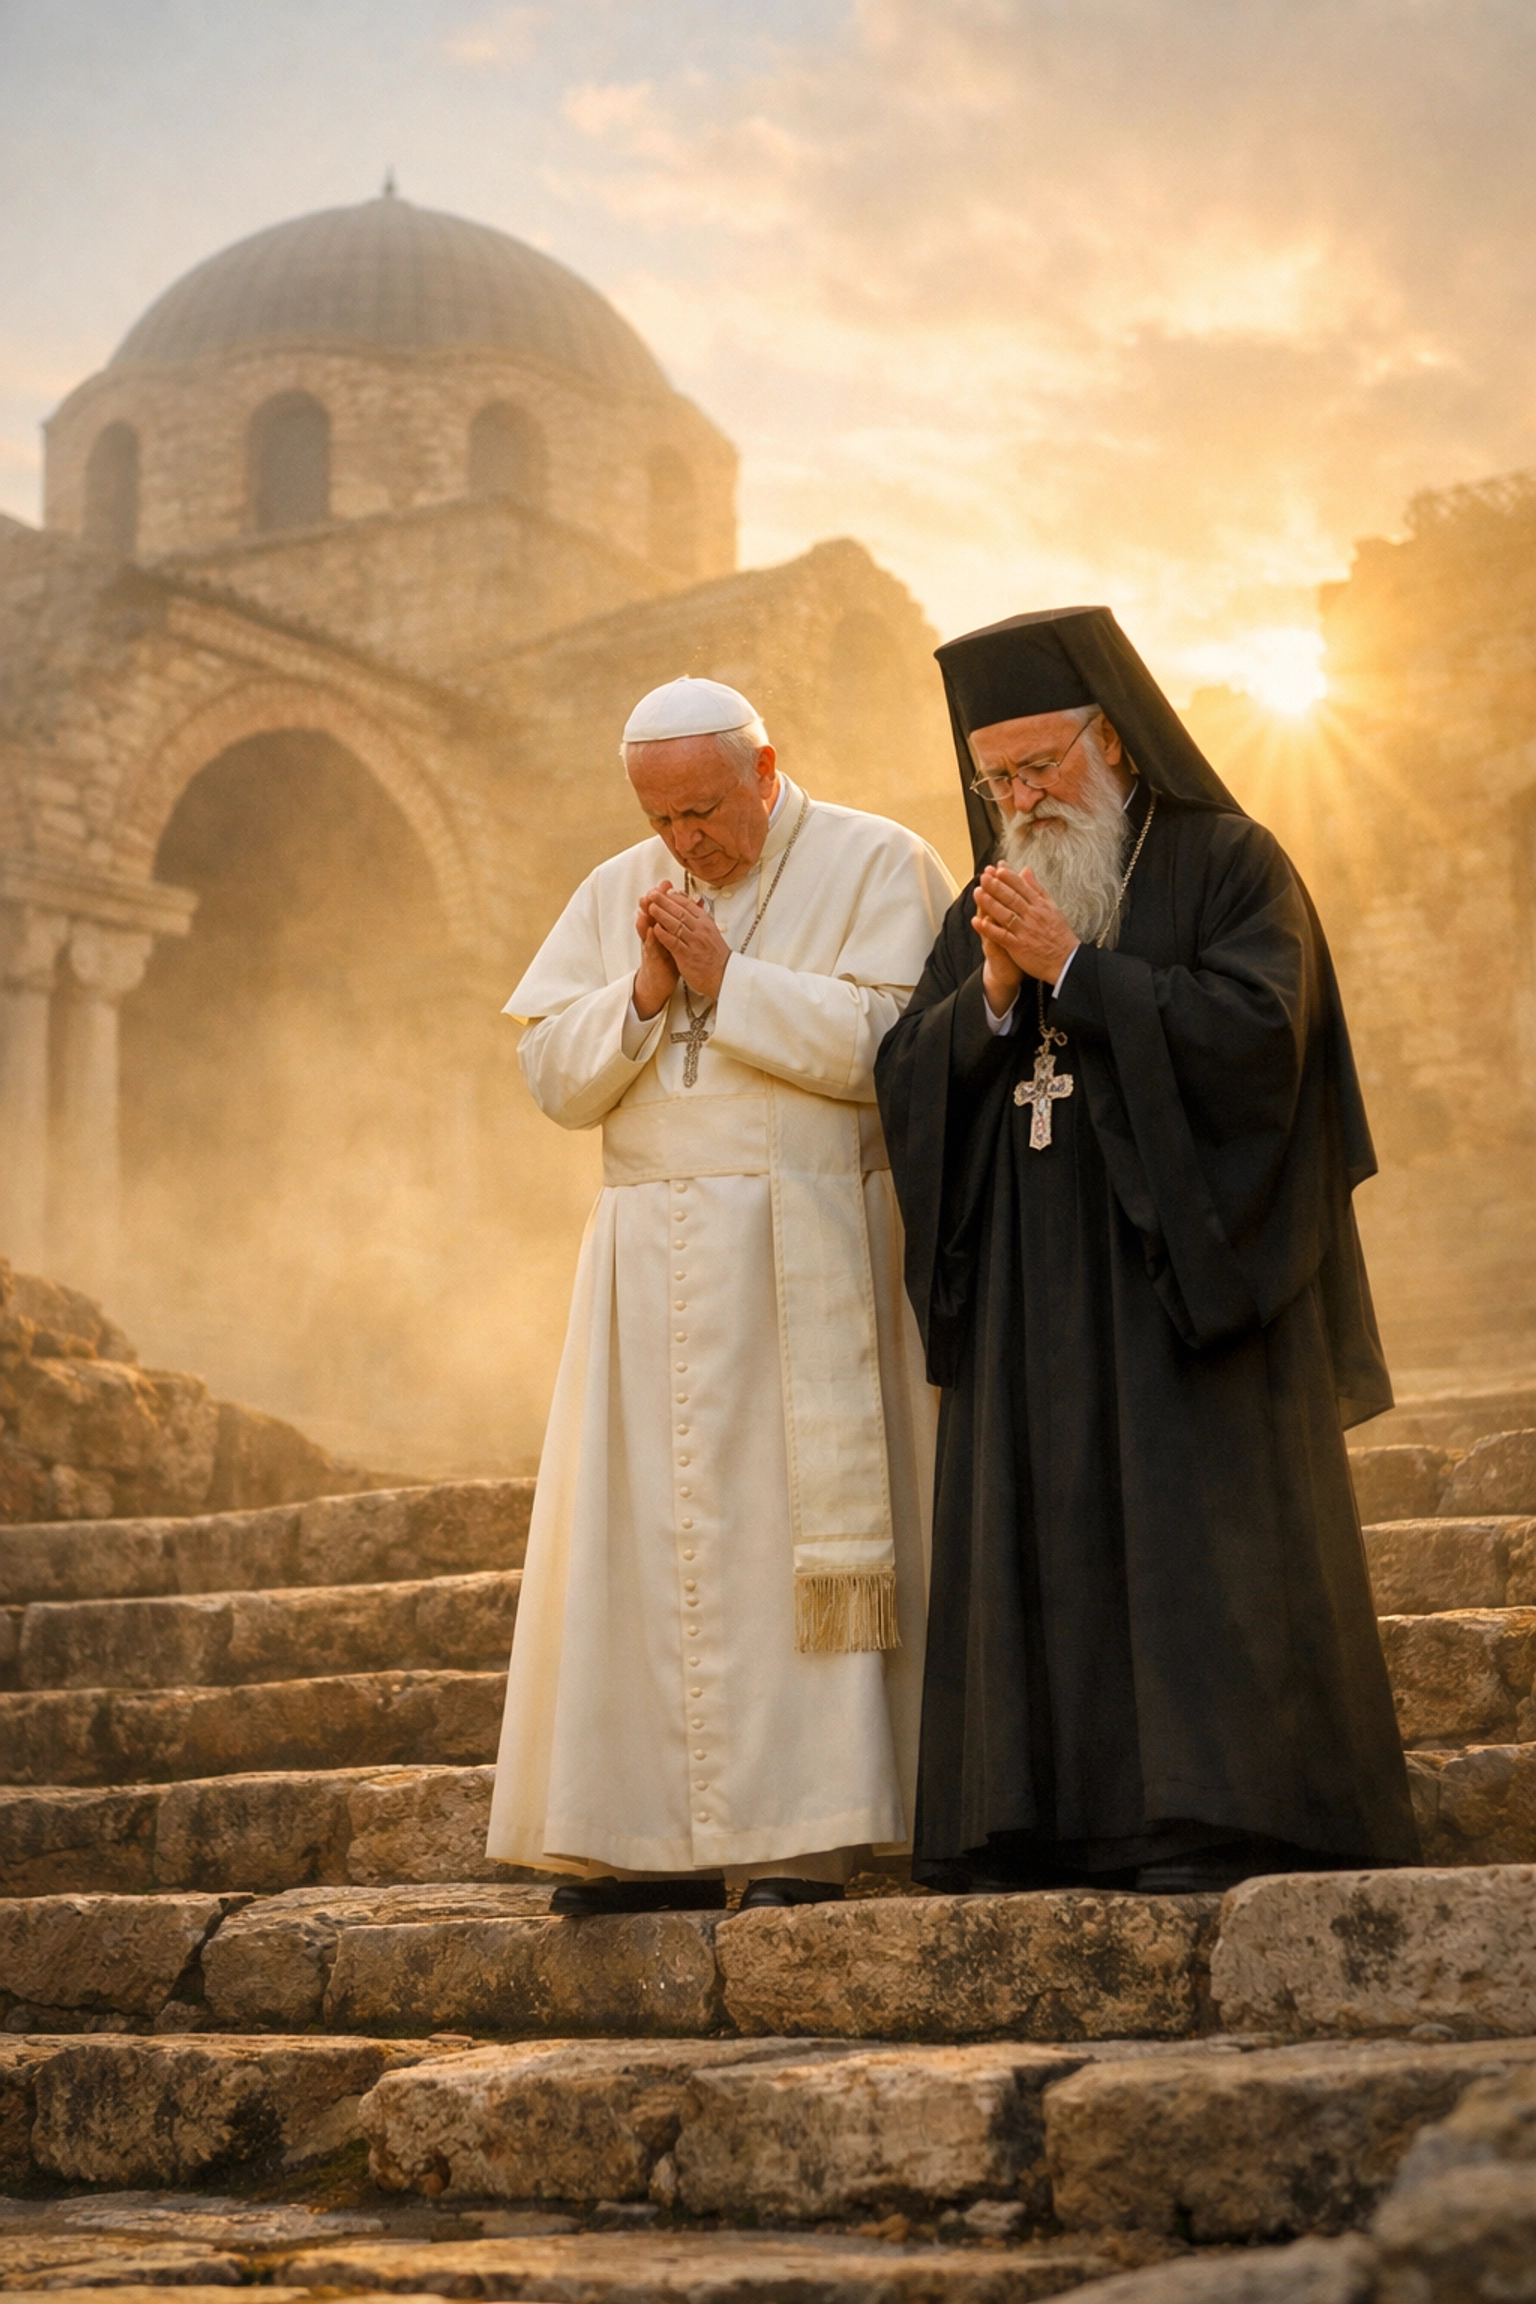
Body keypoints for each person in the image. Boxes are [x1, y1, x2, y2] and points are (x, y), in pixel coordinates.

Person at [874, 606, 1420, 1893]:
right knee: (1039, 1527)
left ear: (1110, 738)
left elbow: (1261, 1036)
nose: (1019, 797)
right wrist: (995, 997)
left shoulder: (1231, 862)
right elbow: (908, 1075)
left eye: (1039, 768)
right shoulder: (984, 909)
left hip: (1178, 1276)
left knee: (1194, 1536)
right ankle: (1036, 1818)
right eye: (995, 777)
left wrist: (1077, 973)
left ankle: (1219, 1810)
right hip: (1029, 1291)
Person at [487, 675, 954, 1913]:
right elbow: (548, 1071)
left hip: (811, 1250)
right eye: (663, 820)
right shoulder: (611, 891)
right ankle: (647, 1838)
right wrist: (644, 993)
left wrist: (727, 978)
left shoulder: (876, 862)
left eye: (704, 811)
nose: (685, 842)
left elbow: (906, 1049)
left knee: (785, 1542)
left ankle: (814, 1829)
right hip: (647, 1273)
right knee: (648, 1545)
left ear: (765, 768)